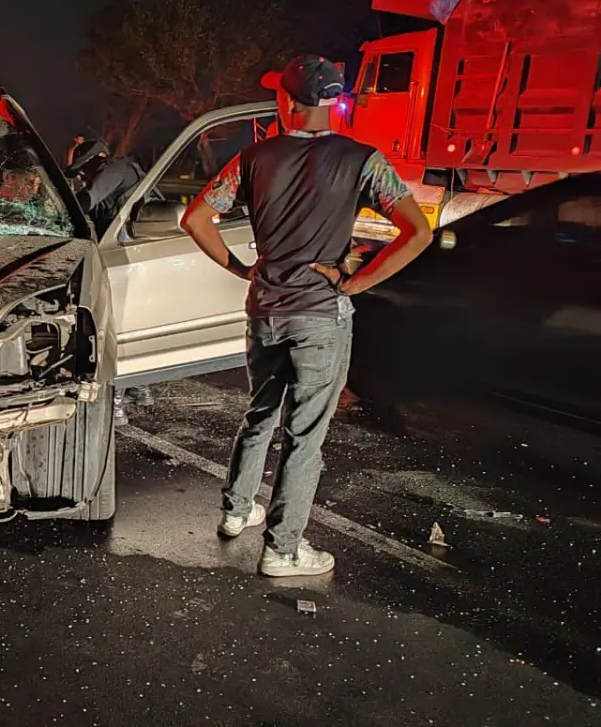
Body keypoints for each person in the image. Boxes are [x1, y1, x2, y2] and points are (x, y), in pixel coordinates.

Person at [181, 54, 432, 578]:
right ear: (333, 103)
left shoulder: (254, 158)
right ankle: (284, 549)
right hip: (320, 313)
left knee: (261, 411)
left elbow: (196, 218)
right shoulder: (364, 160)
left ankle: (235, 512)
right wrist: (354, 281)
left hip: (267, 308)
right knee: (305, 434)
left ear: (288, 102)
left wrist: (244, 269)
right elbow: (418, 232)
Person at [64, 138, 159, 425]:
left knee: (117, 323)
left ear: (99, 157)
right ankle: (140, 387)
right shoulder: (118, 173)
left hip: (134, 257)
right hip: (132, 255)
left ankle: (116, 404)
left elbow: (85, 201)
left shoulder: (114, 169)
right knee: (132, 321)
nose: (82, 175)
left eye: (83, 168)